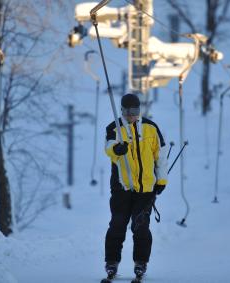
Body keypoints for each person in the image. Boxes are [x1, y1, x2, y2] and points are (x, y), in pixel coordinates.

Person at [103, 93, 168, 279]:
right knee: (117, 225)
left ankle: (141, 262)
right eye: (128, 111)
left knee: (140, 227)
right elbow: (108, 147)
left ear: (140, 110)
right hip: (121, 187)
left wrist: (161, 180)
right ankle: (111, 262)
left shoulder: (150, 127)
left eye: (135, 111)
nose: (132, 115)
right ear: (122, 110)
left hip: (145, 189)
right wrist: (117, 149)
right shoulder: (113, 128)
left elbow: (161, 156)